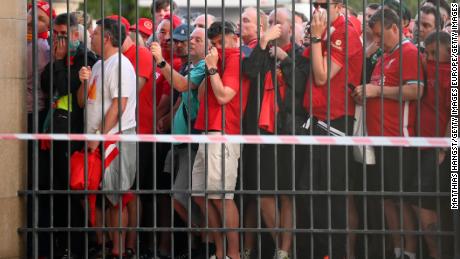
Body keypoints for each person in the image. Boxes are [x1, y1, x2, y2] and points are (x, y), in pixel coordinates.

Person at [352, 8, 424, 259]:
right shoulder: (384, 56)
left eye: (380, 36)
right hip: (377, 139)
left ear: (396, 28)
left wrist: (375, 91)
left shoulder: (410, 53)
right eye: (374, 36)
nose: (377, 41)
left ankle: (410, 251)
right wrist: (364, 93)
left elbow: (416, 92)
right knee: (386, 199)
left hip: (398, 139)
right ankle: (397, 250)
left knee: (399, 199)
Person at [241, 7, 310, 259]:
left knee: (288, 194)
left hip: (291, 131)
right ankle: (280, 243)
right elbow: (248, 71)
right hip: (263, 132)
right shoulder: (260, 51)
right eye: (269, 22)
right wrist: (263, 43)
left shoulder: (301, 54)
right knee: (264, 193)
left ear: (291, 28)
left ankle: (284, 250)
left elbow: (302, 86)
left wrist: (285, 58)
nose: (273, 25)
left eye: (277, 22)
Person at [305, 0, 363, 258]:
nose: (316, 9)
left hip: (335, 123)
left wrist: (316, 37)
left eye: (322, 4)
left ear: (339, 5)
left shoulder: (344, 31)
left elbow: (321, 75)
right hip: (316, 119)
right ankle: (321, 252)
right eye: (313, 4)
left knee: (333, 195)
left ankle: (335, 253)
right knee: (315, 194)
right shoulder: (327, 27)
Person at [78, 18, 137, 257]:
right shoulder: (100, 64)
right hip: (98, 139)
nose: (90, 36)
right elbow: (83, 101)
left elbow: (119, 105)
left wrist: (100, 136)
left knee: (116, 197)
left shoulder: (121, 65)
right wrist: (83, 83)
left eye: (95, 33)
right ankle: (105, 246)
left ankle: (119, 250)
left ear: (107, 38)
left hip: (115, 139)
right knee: (100, 197)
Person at [40, 12, 98, 258]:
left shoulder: (86, 57)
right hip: (53, 128)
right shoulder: (58, 59)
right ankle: (61, 243)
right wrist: (58, 62)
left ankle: (80, 246)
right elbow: (46, 83)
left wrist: (60, 60)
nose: (58, 40)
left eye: (63, 35)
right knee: (54, 189)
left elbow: (65, 86)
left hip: (73, 131)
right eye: (55, 34)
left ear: (75, 34)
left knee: (71, 191)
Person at [192, 21, 249, 259]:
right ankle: (220, 250)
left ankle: (233, 254)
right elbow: (201, 93)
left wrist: (214, 68)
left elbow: (225, 96)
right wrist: (210, 67)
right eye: (213, 44)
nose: (217, 48)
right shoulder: (217, 60)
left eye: (220, 42)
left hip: (224, 132)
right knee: (200, 194)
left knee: (221, 196)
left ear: (234, 38)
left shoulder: (236, 58)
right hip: (208, 130)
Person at [410, 31, 451, 259]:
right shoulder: (424, 67)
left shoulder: (449, 74)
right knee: (418, 200)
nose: (430, 57)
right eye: (427, 52)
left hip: (436, 150)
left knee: (426, 201)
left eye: (436, 53)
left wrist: (443, 148)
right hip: (421, 146)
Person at [26, 2, 55, 257]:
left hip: (36, 115)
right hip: (29, 115)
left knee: (38, 181)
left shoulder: (40, 47)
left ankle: (41, 246)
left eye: (40, 18)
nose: (31, 20)